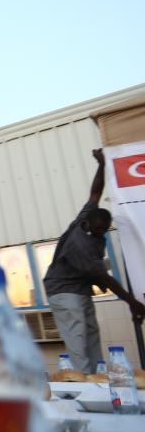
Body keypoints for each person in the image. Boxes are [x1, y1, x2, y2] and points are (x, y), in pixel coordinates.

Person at [44, 148, 145, 372]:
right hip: (62, 290)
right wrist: (132, 302)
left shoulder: (86, 217)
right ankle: (83, 379)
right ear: (89, 224)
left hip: (80, 289)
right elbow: (104, 278)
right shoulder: (80, 245)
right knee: (77, 336)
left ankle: (98, 376)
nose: (101, 233)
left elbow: (95, 193)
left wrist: (101, 165)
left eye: (104, 229)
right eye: (98, 229)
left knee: (91, 333)